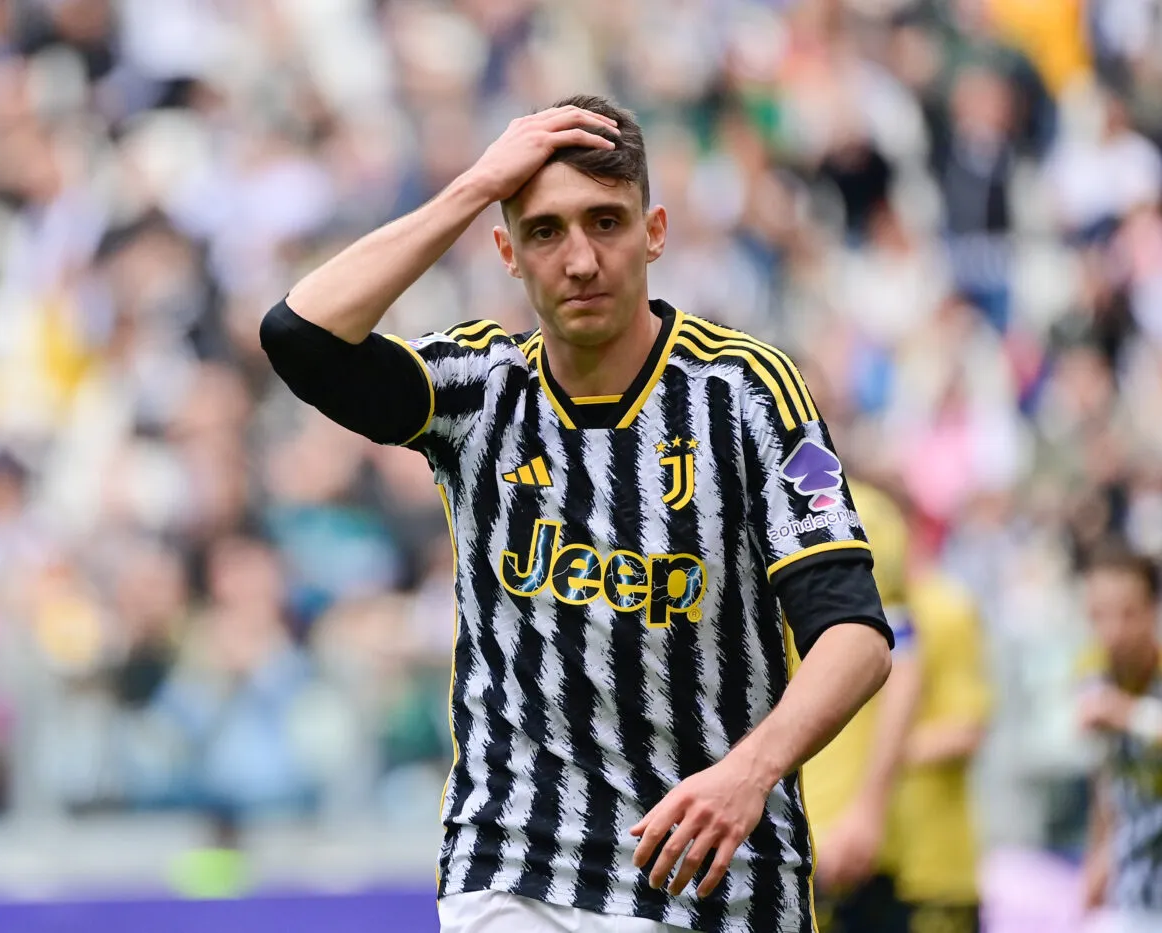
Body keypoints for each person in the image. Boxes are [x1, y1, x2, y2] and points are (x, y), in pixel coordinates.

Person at [260, 94, 895, 933]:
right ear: (508, 252)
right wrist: (475, 184)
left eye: (606, 222)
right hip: (515, 863)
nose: (582, 259)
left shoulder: (747, 393)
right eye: (546, 231)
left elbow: (855, 636)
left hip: (714, 878)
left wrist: (750, 773)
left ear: (654, 231)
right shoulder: (477, 389)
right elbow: (298, 334)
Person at [801, 479, 922, 933]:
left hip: (837, 825)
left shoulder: (856, 510)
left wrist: (867, 807)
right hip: (734, 821)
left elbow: (903, 662)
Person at [886, 568, 991, 933]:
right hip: (863, 864)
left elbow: (966, 729)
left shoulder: (943, 610)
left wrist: (874, 754)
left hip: (934, 873)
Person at [1078, 545, 1162, 933]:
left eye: (1127, 613)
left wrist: (1129, 714)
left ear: (1153, 609)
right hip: (1133, 894)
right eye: (1098, 615)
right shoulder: (1094, 674)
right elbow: (1109, 777)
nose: (1112, 631)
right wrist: (1099, 857)